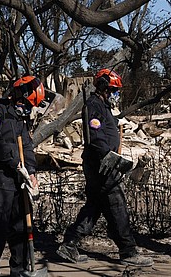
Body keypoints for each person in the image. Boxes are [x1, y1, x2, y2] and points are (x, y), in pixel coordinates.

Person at [54, 68, 153, 267]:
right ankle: (128, 251)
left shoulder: (102, 106)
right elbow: (96, 137)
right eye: (114, 90)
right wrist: (109, 157)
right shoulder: (94, 106)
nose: (116, 94)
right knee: (117, 206)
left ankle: (70, 244)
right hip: (101, 166)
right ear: (103, 87)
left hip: (100, 164)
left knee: (94, 206)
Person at [0, 75, 45, 277]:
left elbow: (27, 146)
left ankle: (20, 271)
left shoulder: (20, 118)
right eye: (27, 104)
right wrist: (16, 163)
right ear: (18, 95)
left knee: (21, 229)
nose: (28, 109)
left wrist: (30, 171)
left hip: (17, 183)